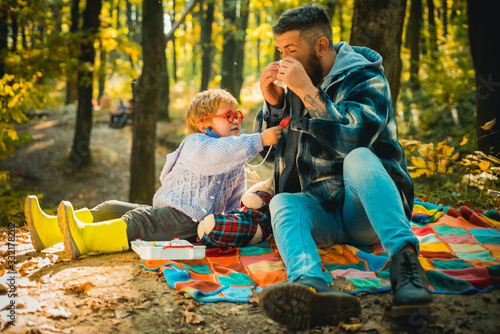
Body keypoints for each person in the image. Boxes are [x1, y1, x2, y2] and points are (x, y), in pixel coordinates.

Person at [253, 5, 434, 330]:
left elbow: (353, 139)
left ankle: (407, 268)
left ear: (321, 46)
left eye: (291, 50)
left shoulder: (366, 77)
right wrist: (274, 105)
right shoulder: (298, 81)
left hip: (365, 214)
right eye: (280, 51)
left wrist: (308, 92)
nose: (283, 61)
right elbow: (266, 157)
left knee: (359, 158)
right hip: (322, 213)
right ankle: (311, 287)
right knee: (282, 201)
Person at [25, 89, 283, 259]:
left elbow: (231, 199)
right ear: (205, 124)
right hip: (178, 211)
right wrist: (259, 140)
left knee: (140, 221)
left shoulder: (234, 160)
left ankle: (86, 237)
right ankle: (51, 231)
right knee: (113, 207)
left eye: (238, 114)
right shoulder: (198, 144)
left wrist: (226, 226)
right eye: (229, 115)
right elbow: (218, 154)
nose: (237, 119)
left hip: (189, 220)